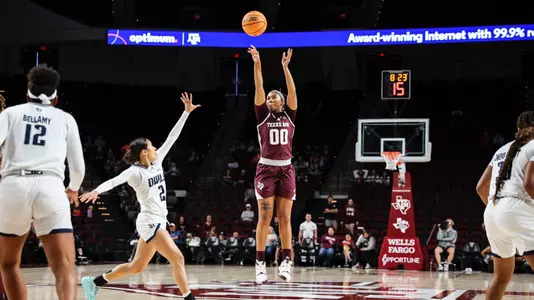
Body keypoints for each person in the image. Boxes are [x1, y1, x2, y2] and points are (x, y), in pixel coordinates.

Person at [79, 92, 200, 300]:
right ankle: (190, 299)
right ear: (144, 152)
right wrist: (96, 191)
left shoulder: (157, 161)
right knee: (177, 258)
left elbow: (173, 137)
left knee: (136, 267)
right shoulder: (134, 172)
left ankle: (94, 281)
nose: (155, 148)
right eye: (152, 146)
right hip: (149, 221)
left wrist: (186, 113)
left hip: (159, 220)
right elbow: (114, 181)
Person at [0, 64, 85, 300]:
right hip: (50, 185)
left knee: (8, 264)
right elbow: (78, 168)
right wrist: (73, 189)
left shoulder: (9, 114)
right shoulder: (66, 118)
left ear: (28, 93)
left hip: (12, 186)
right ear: (55, 97)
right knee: (64, 266)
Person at [248, 45, 297, 283]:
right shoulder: (262, 115)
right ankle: (259, 264)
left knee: (285, 218)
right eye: (268, 98)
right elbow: (259, 85)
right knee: (265, 217)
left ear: (283, 102)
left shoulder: (290, 115)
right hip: (266, 169)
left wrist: (285, 68)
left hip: (286, 168)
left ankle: (286, 261)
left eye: (274, 98)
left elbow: (292, 90)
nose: (270, 100)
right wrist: (257, 63)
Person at [476, 111, 534, 300]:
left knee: (501, 277)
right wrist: (510, 214)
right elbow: (529, 183)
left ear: (519, 128)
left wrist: (500, 212)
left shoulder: (502, 149)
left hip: (492, 211)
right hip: (517, 208)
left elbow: (480, 187)